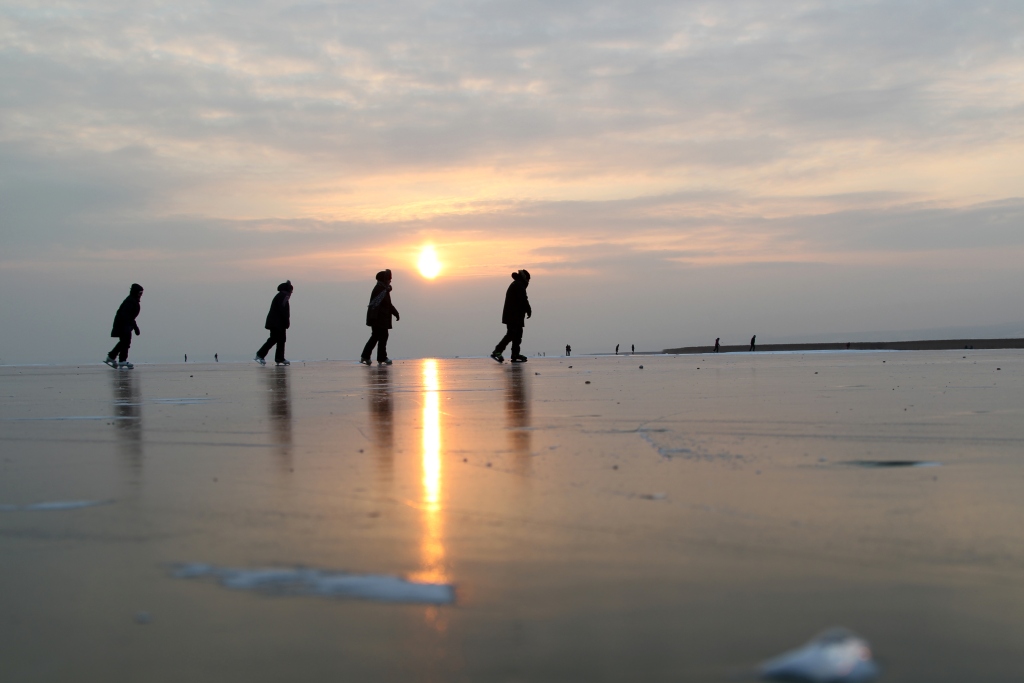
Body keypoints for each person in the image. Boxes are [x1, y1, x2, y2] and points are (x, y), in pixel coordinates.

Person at [490, 270, 532, 363]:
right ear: (525, 278)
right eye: (528, 279)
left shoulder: (517, 284)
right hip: (513, 316)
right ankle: (497, 351)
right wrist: (528, 310)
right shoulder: (518, 285)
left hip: (515, 315)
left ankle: (515, 354)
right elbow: (523, 300)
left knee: (517, 335)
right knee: (511, 334)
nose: (528, 282)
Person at [361, 269, 400, 366]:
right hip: (378, 319)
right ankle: (378, 357)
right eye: (389, 279)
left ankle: (369, 356)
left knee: (378, 337)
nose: (390, 281)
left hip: (382, 319)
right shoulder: (380, 290)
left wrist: (395, 313)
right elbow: (374, 305)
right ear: (384, 279)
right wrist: (373, 319)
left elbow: (388, 304)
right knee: (379, 337)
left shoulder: (384, 289)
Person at [105, 283, 143, 369]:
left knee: (124, 342)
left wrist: (135, 327)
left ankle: (113, 357)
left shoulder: (133, 300)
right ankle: (120, 360)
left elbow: (131, 316)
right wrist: (127, 326)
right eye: (140, 292)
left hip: (125, 324)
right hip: (122, 325)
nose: (141, 295)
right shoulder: (130, 301)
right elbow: (125, 314)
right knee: (125, 341)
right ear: (135, 292)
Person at [255, 280, 293, 366]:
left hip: (277, 323)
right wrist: (287, 322)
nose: (291, 294)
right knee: (274, 339)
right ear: (288, 290)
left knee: (281, 339)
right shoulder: (284, 296)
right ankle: (260, 354)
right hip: (277, 323)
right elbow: (283, 311)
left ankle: (279, 358)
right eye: (291, 291)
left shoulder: (281, 295)